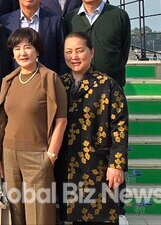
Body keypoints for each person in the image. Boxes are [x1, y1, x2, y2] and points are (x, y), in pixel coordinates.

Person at [0, 28, 67, 225]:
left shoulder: (50, 78)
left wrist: (51, 155)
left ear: (38, 51)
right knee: (15, 211)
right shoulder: (9, 80)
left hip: (38, 154)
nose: (22, 53)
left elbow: (61, 120)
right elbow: (2, 121)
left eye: (28, 47)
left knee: (39, 213)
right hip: (9, 155)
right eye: (17, 48)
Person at [58, 32, 128, 225]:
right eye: (69, 51)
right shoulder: (58, 83)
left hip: (98, 166)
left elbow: (120, 127)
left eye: (80, 51)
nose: (74, 56)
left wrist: (117, 164)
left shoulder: (108, 86)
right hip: (65, 165)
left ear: (92, 52)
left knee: (99, 216)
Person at [66, 0, 131, 87]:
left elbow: (124, 53)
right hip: (80, 87)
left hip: (112, 87)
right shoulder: (70, 19)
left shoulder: (119, 15)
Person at [0, 0, 66, 74]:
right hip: (17, 81)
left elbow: (62, 56)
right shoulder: (5, 22)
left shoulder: (55, 21)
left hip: (47, 80)